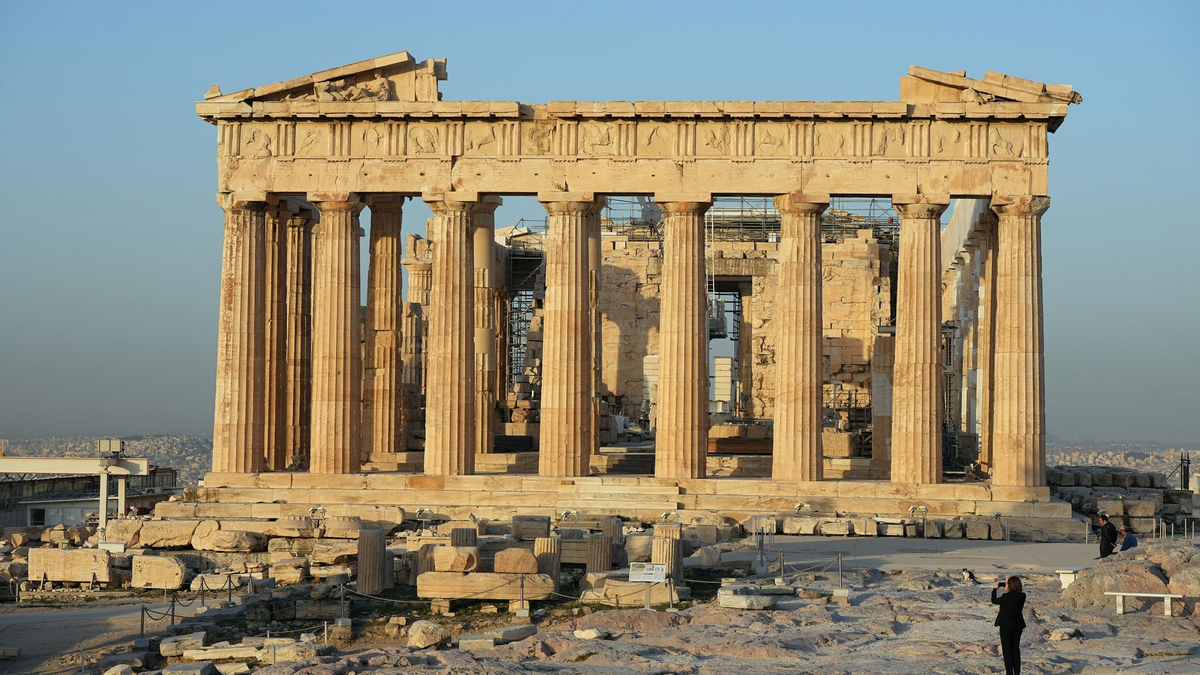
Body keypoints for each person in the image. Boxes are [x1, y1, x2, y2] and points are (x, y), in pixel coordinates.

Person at [992, 575, 1027, 675]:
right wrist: (1008, 588)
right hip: (1018, 625)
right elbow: (1014, 596)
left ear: (1010, 586)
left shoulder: (1005, 597)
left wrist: (995, 589)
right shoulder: (1022, 596)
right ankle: (1017, 672)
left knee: (1007, 651)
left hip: (1006, 626)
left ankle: (1009, 673)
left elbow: (994, 600)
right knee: (1015, 649)